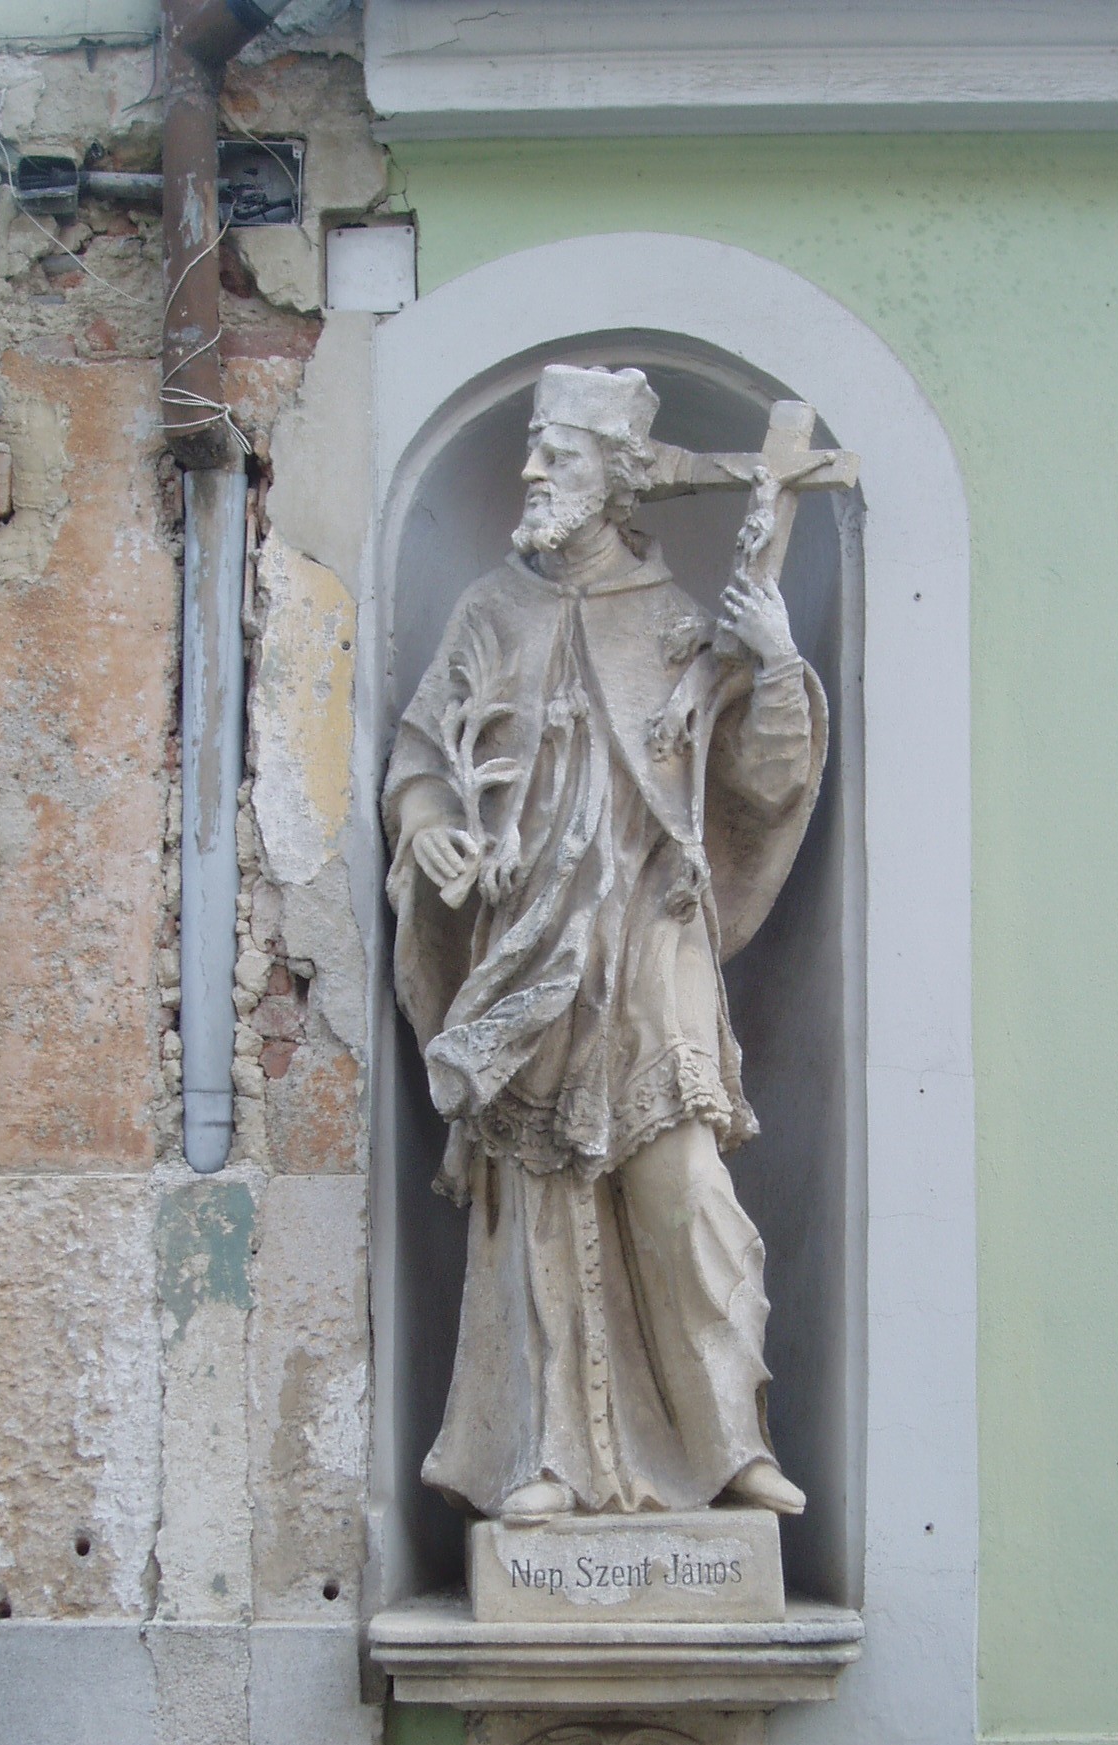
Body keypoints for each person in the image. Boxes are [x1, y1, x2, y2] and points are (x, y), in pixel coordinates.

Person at [383, 364, 826, 1523]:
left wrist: (774, 661)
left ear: (619, 477)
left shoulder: (683, 626)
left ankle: (730, 1445)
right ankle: (543, 1458)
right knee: (538, 1194)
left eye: (558, 453)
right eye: (533, 448)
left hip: (652, 935)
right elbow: (422, 758)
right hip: (526, 940)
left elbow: (761, 786)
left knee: (683, 1186)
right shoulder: (490, 612)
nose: (531, 471)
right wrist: (431, 828)